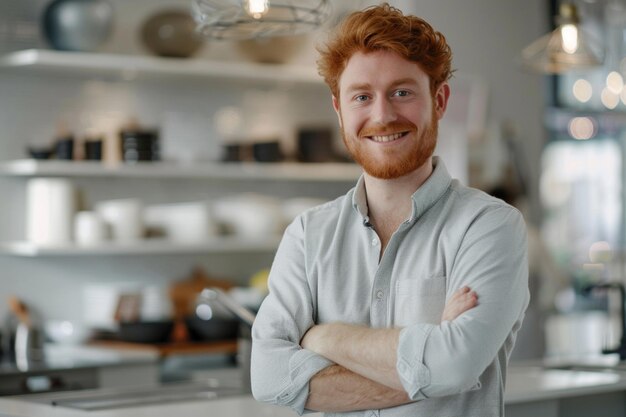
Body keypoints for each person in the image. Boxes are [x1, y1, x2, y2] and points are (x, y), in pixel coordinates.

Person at [251, 4, 529, 416]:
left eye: (402, 92)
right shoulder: (309, 235)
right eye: (362, 96)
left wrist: (324, 338)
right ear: (339, 109)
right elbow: (269, 378)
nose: (382, 115)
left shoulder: (490, 226)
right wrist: (429, 355)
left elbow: (454, 365)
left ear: (439, 99)